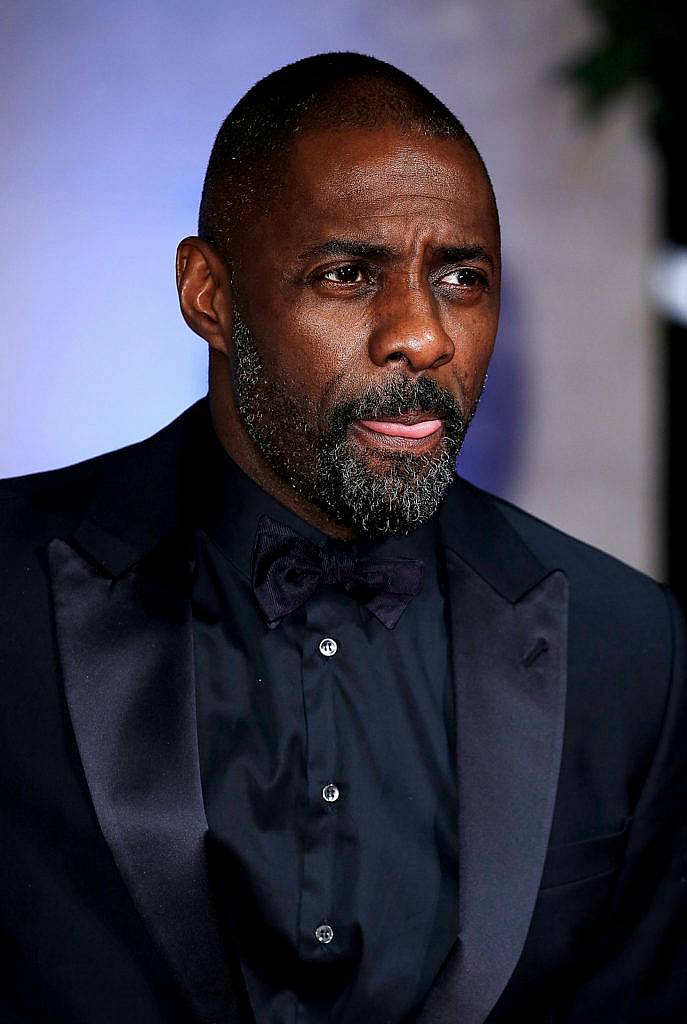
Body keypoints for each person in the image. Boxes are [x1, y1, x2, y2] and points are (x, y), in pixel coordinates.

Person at [1, 52, 685, 1024]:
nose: (421, 334)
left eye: (460, 275)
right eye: (346, 273)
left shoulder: (629, 648)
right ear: (210, 294)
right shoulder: (12, 594)